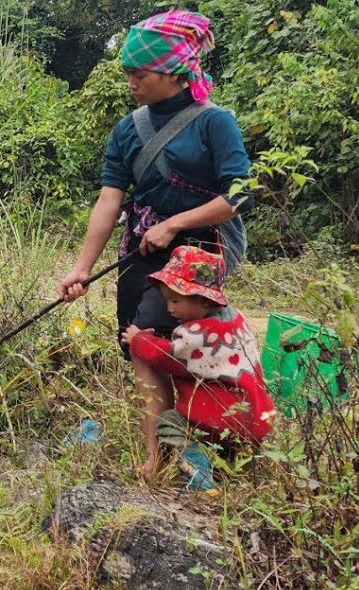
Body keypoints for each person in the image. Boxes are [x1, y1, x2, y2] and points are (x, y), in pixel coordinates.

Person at [58, 10, 252, 479]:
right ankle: (172, 446)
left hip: (201, 250)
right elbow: (109, 201)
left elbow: (241, 193)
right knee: (136, 343)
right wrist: (81, 268)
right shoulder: (128, 130)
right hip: (142, 250)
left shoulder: (214, 123)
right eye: (127, 74)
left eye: (139, 74)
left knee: (153, 339)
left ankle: (158, 460)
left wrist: (177, 223)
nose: (131, 83)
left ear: (173, 73)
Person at [121, 246, 275, 490]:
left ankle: (200, 481)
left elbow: (168, 356)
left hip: (219, 423)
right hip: (254, 421)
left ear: (204, 300)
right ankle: (234, 469)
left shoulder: (199, 335)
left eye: (175, 300)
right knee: (235, 451)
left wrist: (139, 340)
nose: (169, 308)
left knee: (170, 422)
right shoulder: (235, 320)